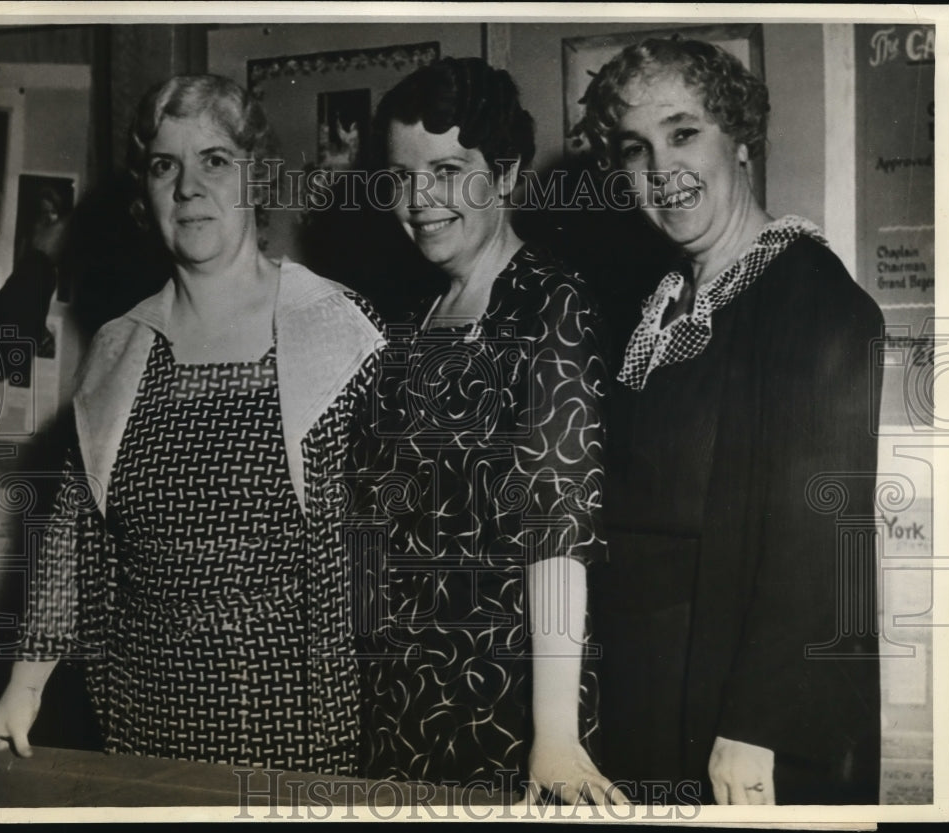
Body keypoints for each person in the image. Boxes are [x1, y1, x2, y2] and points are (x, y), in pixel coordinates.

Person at [0, 74, 382, 775]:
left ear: (255, 179)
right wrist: (24, 686)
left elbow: (392, 548)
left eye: (215, 160)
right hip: (142, 723)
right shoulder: (117, 347)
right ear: (146, 193)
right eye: (166, 165)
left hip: (302, 730)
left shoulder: (341, 329)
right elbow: (73, 531)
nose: (189, 186)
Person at [577, 36, 883, 805]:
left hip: (740, 722)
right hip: (651, 696)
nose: (661, 171)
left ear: (740, 136)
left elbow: (822, 540)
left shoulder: (812, 300)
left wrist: (757, 726)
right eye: (634, 148)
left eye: (684, 134)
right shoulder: (662, 305)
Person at [350, 57, 619, 804]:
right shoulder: (416, 316)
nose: (420, 198)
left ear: (503, 175)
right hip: (400, 697)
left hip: (508, 702)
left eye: (447, 170)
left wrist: (557, 734)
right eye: (400, 176)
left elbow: (559, 529)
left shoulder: (548, 302)